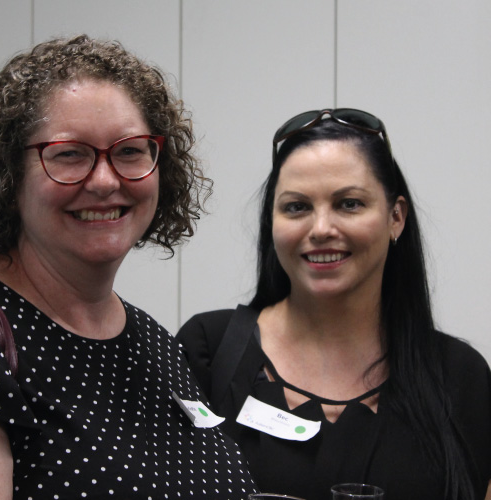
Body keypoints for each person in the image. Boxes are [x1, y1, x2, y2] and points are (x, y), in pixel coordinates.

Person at [0, 35, 257, 499]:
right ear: (10, 175)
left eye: (129, 151)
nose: (105, 181)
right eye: (69, 154)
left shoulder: (155, 342)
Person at [178, 108, 491, 500]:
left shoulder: (461, 379)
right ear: (271, 223)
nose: (322, 228)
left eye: (349, 204)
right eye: (297, 207)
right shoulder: (207, 351)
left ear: (396, 216)